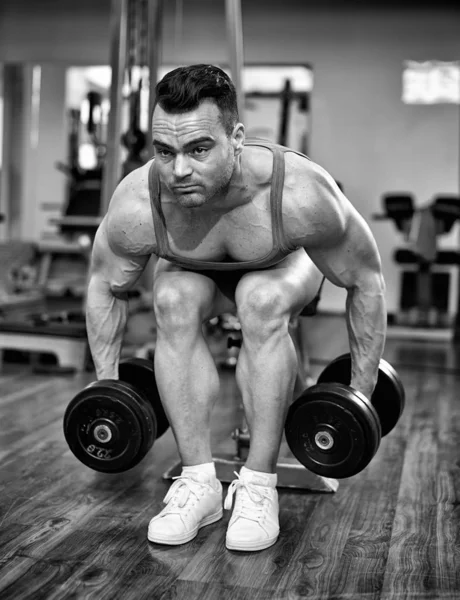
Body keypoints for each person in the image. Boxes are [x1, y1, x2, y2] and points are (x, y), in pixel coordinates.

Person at [86, 64, 386, 552]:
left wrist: (361, 396)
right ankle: (199, 483)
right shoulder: (139, 202)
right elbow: (105, 285)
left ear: (237, 138)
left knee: (260, 301)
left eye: (199, 149)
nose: (180, 170)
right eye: (166, 152)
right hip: (193, 271)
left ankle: (258, 486)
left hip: (280, 267)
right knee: (170, 298)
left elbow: (366, 281)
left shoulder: (299, 192)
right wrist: (106, 387)